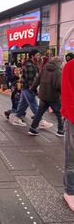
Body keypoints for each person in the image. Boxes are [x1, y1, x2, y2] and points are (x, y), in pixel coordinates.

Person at [11, 49, 52, 129]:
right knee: (34, 105)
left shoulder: (31, 63)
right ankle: (41, 121)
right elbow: (30, 77)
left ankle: (16, 118)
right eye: (37, 55)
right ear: (32, 56)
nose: (39, 56)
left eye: (39, 55)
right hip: (28, 87)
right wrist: (32, 87)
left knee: (23, 104)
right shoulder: (29, 64)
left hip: (25, 87)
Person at [28, 57, 63, 136]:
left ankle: (32, 129)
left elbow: (37, 80)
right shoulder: (58, 72)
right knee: (59, 113)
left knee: (39, 113)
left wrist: (33, 89)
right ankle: (60, 130)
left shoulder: (44, 69)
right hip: (54, 96)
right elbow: (59, 85)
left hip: (43, 95)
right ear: (59, 63)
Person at [61, 58, 74, 211]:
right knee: (71, 157)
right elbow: (68, 95)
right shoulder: (70, 67)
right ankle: (70, 191)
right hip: (72, 118)